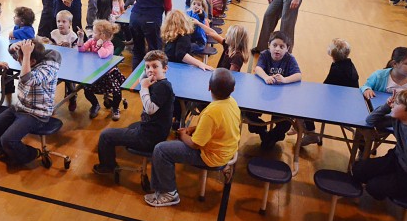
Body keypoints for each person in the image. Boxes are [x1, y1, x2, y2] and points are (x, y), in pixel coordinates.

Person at [145, 68, 240, 207]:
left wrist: (183, 135)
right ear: (233, 89)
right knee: (170, 146)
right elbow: (217, 127)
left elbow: (195, 144)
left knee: (161, 150)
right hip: (228, 150)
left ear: (209, 87)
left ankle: (169, 194)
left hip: (211, 156)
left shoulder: (212, 112)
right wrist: (192, 129)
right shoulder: (232, 102)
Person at [93, 50, 174, 174]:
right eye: (147, 67)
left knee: (106, 135)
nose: (150, 70)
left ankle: (107, 167)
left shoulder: (162, 87)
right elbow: (143, 77)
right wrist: (147, 70)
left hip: (148, 137)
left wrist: (144, 88)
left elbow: (150, 109)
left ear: (165, 68)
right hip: (154, 131)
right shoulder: (160, 82)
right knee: (129, 128)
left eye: (155, 66)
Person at [0, 39, 62, 165]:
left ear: (32, 61)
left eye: (21, 58)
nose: (18, 60)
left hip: (37, 113)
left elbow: (28, 80)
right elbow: (15, 54)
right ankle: (6, 151)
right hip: (21, 107)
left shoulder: (48, 69)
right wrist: (13, 47)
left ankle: (32, 153)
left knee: (8, 139)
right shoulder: (31, 60)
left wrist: (26, 55)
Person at [352, 89, 407, 206]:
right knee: (358, 169)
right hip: (396, 159)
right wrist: (386, 106)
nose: (393, 103)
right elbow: (371, 120)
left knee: (373, 187)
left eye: (397, 103)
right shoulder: (398, 118)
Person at [249, 31, 302, 150]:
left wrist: (284, 80)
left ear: (287, 48)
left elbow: (298, 75)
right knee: (248, 114)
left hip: (281, 100)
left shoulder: (290, 59)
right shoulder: (264, 54)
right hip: (262, 97)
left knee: (286, 122)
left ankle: (271, 137)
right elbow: (258, 68)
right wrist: (266, 77)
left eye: (282, 46)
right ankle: (262, 130)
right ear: (269, 45)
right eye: (275, 45)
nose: (277, 49)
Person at [76, 20, 127, 121]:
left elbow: (103, 55)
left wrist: (99, 46)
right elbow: (81, 49)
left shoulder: (109, 45)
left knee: (116, 91)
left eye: (95, 32)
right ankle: (95, 105)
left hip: (108, 74)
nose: (92, 34)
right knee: (87, 90)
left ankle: (115, 108)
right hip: (95, 73)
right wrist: (80, 38)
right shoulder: (91, 41)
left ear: (102, 36)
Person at [50, 10, 79, 111]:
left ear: (70, 24)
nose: (60, 24)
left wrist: (68, 48)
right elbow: (50, 47)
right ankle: (49, 101)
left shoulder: (73, 36)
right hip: (56, 62)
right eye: (58, 21)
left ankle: (72, 97)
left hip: (69, 64)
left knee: (70, 83)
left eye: (64, 22)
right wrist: (55, 46)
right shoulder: (53, 33)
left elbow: (76, 52)